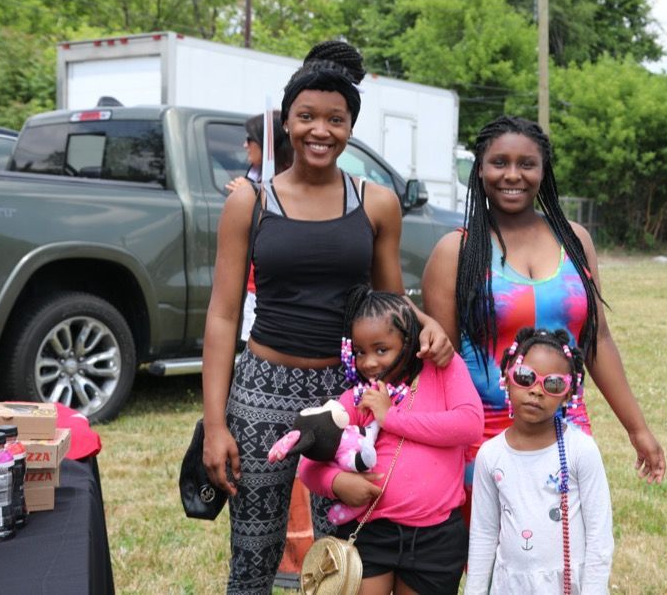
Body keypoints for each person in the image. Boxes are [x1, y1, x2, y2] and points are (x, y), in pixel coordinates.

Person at [201, 40, 453, 594]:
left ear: (350, 127)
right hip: (261, 391)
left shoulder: (375, 202)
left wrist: (425, 321)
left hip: (345, 398)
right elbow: (222, 318)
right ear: (286, 122)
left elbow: (391, 302)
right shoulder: (251, 201)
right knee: (253, 558)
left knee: (344, 559)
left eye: (335, 119)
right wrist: (216, 425)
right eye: (306, 116)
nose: (320, 130)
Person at [421, 115, 665, 515]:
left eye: (526, 164)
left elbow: (597, 341)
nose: (512, 175)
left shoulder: (575, 239)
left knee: (563, 557)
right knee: (489, 561)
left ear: (543, 170)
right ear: (479, 169)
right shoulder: (456, 251)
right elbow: (439, 367)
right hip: (483, 437)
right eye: (499, 162)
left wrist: (637, 429)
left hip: (565, 427)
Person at [299, 285, 483, 595]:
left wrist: (390, 418)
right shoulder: (357, 398)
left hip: (435, 538)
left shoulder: (443, 370)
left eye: (381, 349)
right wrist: (338, 482)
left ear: (409, 343)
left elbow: (469, 425)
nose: (369, 362)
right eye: (360, 352)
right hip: (370, 533)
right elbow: (308, 463)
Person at [465, 327, 613, 595]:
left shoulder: (580, 450)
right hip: (509, 586)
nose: (536, 391)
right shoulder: (490, 455)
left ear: (568, 394)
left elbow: (599, 538)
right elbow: (484, 534)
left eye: (553, 383)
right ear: (506, 379)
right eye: (525, 377)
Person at [224, 112, 294, 342]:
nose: (245, 144)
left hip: (276, 289)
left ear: (268, 143)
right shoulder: (253, 174)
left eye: (250, 138)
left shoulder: (292, 179)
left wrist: (254, 195)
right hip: (251, 283)